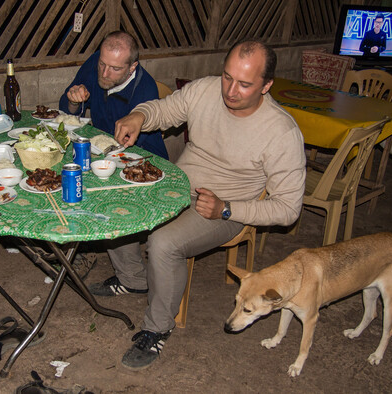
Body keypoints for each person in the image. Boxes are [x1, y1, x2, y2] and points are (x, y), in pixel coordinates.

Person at [88, 38, 306, 370]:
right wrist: (138, 116)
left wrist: (228, 208)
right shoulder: (205, 90)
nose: (230, 90)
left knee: (163, 243)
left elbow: (288, 208)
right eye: (227, 76)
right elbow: (162, 109)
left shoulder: (281, 133)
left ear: (266, 86)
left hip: (225, 208)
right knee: (111, 194)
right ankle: (133, 277)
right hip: (176, 187)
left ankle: (158, 327)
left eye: (244, 84)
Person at [59, 31, 168, 159]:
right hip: (101, 148)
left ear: (132, 67)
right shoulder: (94, 62)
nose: (104, 74)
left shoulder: (146, 89)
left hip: (144, 156)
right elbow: (67, 115)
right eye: (102, 64)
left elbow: (128, 145)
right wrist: (74, 101)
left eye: (115, 69)